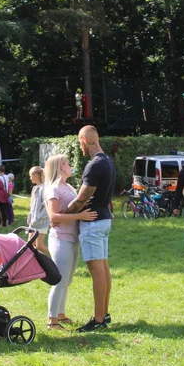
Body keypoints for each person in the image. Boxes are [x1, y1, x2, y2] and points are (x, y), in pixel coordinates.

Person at [61, 126, 115, 332]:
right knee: (103, 269)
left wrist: (61, 214)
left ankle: (99, 319)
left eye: (79, 142)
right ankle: (105, 314)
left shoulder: (94, 165)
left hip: (92, 223)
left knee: (97, 272)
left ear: (84, 140)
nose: (79, 147)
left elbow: (82, 199)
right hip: (103, 220)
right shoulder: (108, 161)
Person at [43, 154, 98, 329]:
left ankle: (61, 314)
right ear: (60, 167)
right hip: (60, 238)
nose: (70, 166)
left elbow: (67, 209)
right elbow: (53, 215)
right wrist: (80, 216)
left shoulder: (68, 187)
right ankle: (52, 320)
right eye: (67, 163)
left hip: (73, 238)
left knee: (67, 279)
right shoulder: (53, 188)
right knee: (60, 279)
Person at [28, 166, 50, 253]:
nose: (30, 178)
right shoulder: (35, 188)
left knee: (39, 245)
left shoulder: (43, 189)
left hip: (41, 222)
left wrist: (38, 218)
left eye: (31, 176)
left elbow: (46, 207)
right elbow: (33, 205)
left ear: (36, 175)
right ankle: (37, 264)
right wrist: (30, 216)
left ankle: (56, 257)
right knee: (31, 244)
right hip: (33, 221)